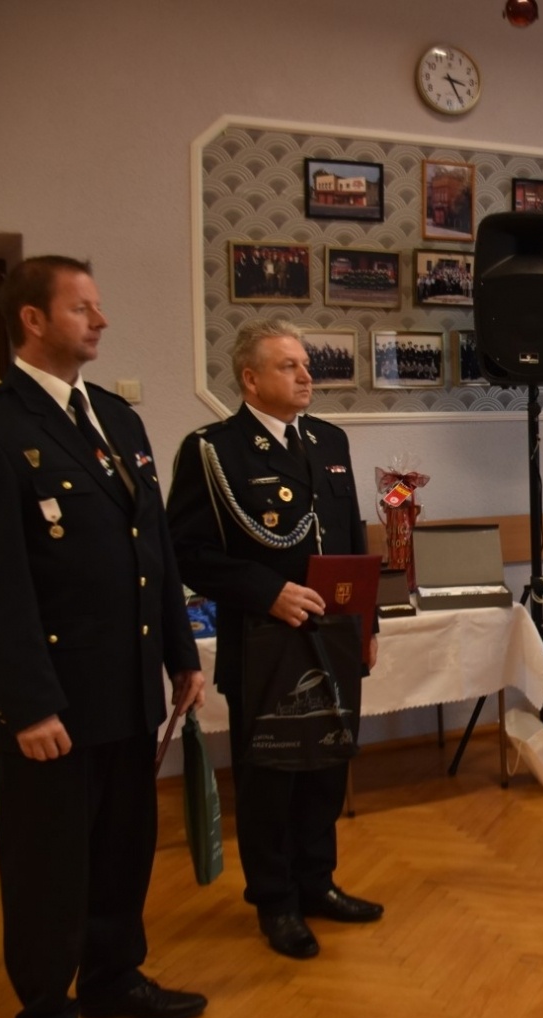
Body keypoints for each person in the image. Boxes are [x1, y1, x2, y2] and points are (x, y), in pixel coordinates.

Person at [0, 256, 207, 1018]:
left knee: (123, 847)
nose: (101, 320)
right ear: (33, 319)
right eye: (83, 307)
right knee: (48, 864)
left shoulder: (115, 417)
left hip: (128, 686)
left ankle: (114, 976)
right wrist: (27, 702)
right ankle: (47, 1016)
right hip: (52, 701)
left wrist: (181, 653)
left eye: (99, 306)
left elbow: (153, 548)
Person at [166, 319, 380, 961]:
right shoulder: (214, 449)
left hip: (334, 636)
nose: (306, 375)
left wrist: (367, 624)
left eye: (306, 363)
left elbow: (351, 536)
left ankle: (317, 883)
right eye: (289, 365)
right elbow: (187, 551)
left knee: (326, 767)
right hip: (263, 638)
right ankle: (275, 901)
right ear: (251, 379)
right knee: (271, 779)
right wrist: (267, 591)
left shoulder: (329, 439)